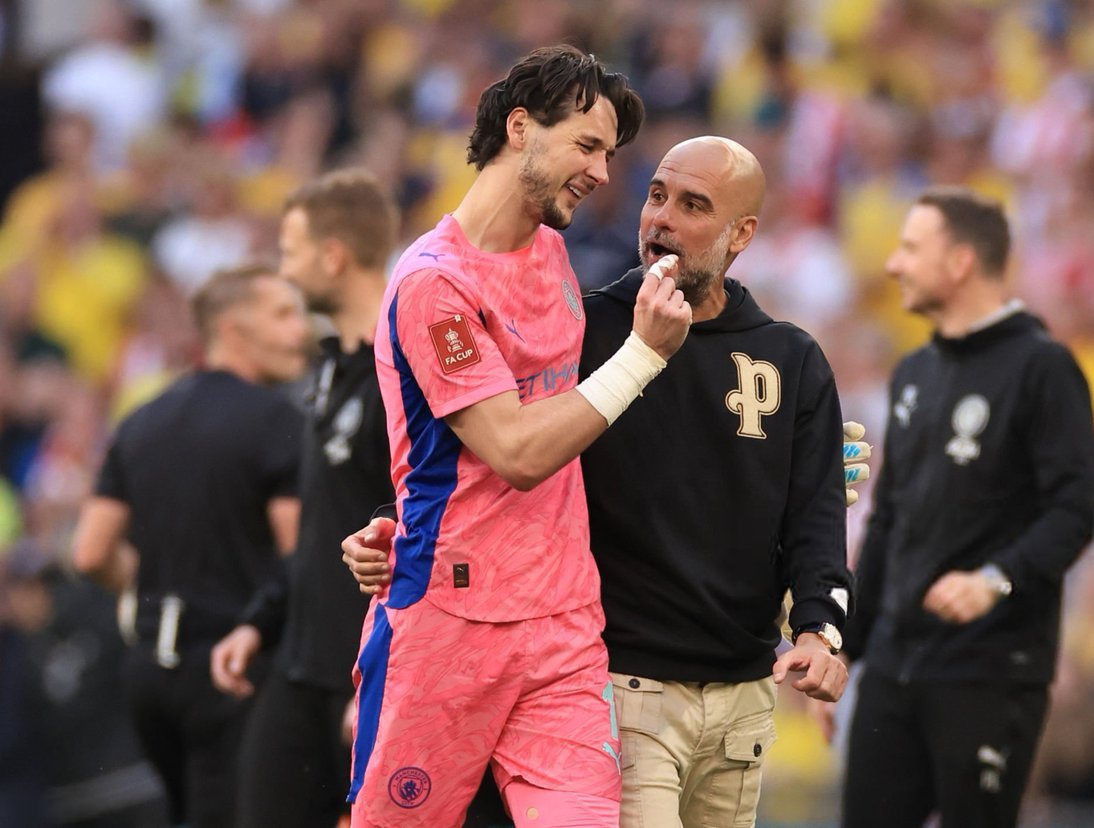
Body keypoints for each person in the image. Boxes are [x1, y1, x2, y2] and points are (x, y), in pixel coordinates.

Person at [346, 136, 865, 827]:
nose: (662, 219)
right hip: (621, 684)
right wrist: (394, 520)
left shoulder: (790, 357)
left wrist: (819, 632)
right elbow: (496, 452)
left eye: (693, 206)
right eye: (656, 196)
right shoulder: (584, 328)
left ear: (741, 234)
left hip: (743, 695)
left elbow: (815, 515)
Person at [345, 45, 692, 828]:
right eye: (587, 145)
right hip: (444, 622)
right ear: (520, 127)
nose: (602, 172)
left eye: (609, 154)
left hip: (562, 622)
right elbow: (516, 452)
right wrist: (643, 356)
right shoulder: (435, 284)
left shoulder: (553, 251)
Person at [822, 187, 1094, 828]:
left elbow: (1075, 511)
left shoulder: (1044, 367)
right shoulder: (913, 373)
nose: (893, 264)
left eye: (911, 248)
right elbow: (887, 523)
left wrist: (993, 580)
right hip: (894, 665)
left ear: (960, 262)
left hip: (990, 666)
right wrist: (845, 651)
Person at [72, 263, 308, 828]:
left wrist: (155, 587)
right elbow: (299, 558)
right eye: (282, 314)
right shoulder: (278, 420)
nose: (300, 330)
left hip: (152, 672)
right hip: (238, 667)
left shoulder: (140, 420)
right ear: (232, 329)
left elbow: (90, 552)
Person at [207, 169, 398, 828]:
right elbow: (322, 525)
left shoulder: (400, 373)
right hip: (301, 663)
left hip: (368, 670)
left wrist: (385, 677)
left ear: (333, 256)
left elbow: (426, 531)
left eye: (291, 253)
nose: (286, 271)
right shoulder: (328, 372)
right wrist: (259, 622)